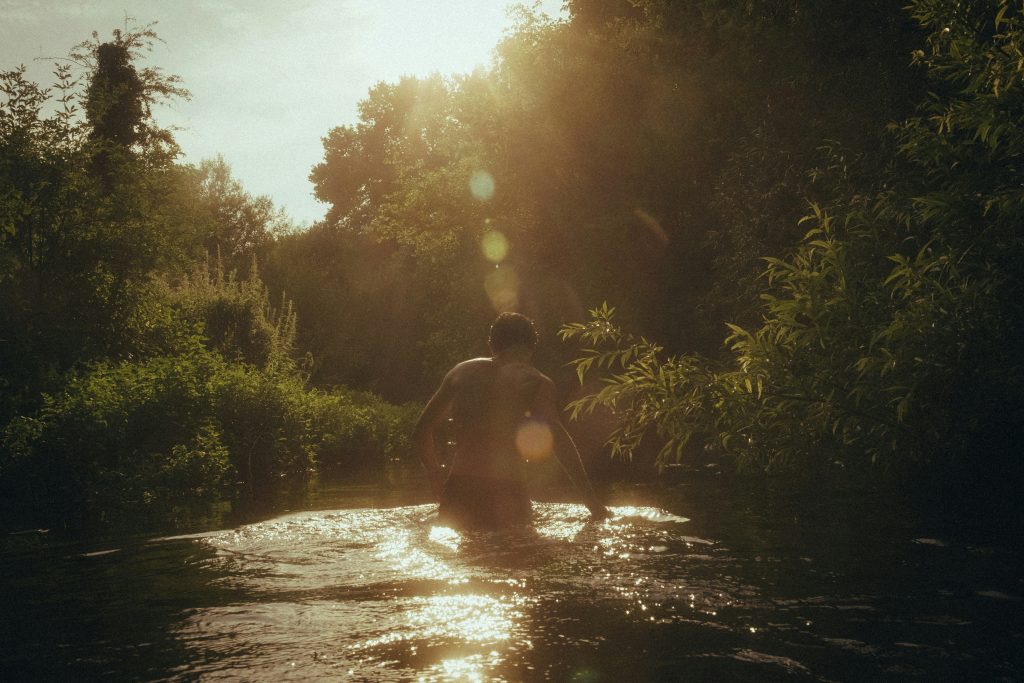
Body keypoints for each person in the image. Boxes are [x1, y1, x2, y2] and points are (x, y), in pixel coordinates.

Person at [414, 312, 609, 530]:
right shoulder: (536, 382)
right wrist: (593, 504)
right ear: (532, 347)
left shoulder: (460, 373)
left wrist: (435, 476)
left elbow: (421, 430)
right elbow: (560, 442)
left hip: (459, 491)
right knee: (515, 549)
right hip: (507, 494)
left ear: (491, 344)